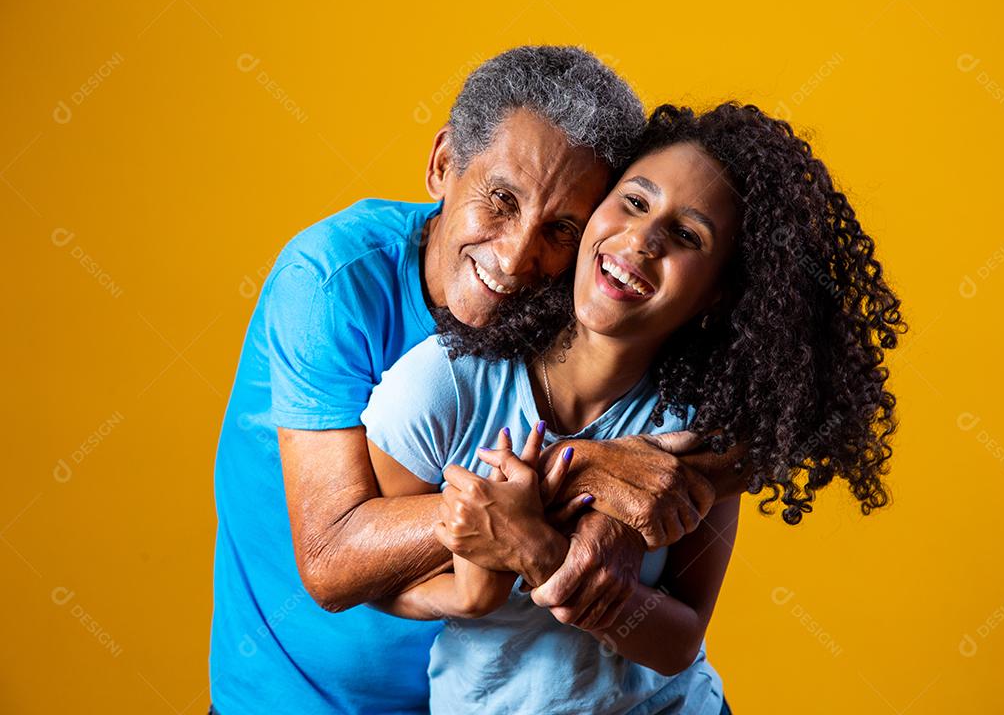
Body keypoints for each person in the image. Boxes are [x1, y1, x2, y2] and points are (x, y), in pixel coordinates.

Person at [210, 47, 734, 715]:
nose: (517, 258)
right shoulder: (333, 281)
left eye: (560, 228)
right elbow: (332, 556)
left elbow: (751, 426)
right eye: (501, 200)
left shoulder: (584, 315)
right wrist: (580, 475)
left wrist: (624, 513)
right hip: (293, 697)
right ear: (441, 165)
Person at [359, 102, 907, 714]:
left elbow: (679, 642)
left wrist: (545, 554)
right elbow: (377, 577)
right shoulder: (443, 386)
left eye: (687, 235)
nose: (642, 240)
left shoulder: (699, 428)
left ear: (717, 293)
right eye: (635, 202)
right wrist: (471, 591)